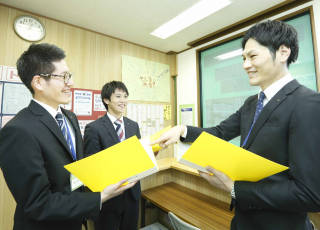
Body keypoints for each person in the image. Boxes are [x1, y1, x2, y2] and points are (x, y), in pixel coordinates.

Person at [152, 20, 320, 230]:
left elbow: (310, 194)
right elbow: (220, 132)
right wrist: (181, 130)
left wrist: (234, 189)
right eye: (243, 58)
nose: (245, 65)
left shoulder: (308, 103)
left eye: (252, 56)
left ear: (283, 52)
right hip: (242, 221)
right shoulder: (252, 103)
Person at [0, 43, 135, 230]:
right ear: (38, 82)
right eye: (63, 77)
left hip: (74, 220)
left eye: (69, 76)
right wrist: (100, 197)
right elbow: (38, 203)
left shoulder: (69, 117)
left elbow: (77, 169)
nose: (70, 83)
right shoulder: (18, 130)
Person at [84, 81, 141, 230]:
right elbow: (92, 166)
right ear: (106, 100)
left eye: (125, 96)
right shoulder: (94, 128)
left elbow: (138, 156)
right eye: (118, 96)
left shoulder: (133, 125)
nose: (123, 101)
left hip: (132, 195)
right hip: (109, 198)